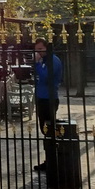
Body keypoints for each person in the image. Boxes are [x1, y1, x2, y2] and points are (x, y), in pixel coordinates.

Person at [32, 38, 63, 172]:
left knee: (49, 130)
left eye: (40, 50)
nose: (38, 52)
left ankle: (52, 161)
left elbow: (45, 76)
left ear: (46, 48)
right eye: (36, 50)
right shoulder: (44, 61)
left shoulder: (53, 60)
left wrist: (37, 64)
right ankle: (49, 159)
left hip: (49, 99)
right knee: (45, 130)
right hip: (41, 98)